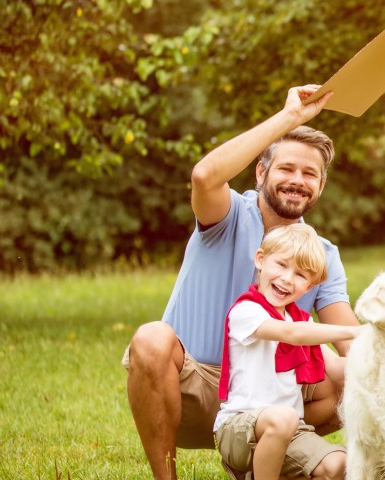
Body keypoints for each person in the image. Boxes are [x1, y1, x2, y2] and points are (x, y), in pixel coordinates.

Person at [124, 85, 361, 480]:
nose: (297, 180)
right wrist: (290, 118)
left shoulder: (321, 253)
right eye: (286, 168)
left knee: (350, 379)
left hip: (271, 395)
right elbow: (203, 175)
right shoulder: (228, 215)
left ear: (320, 186)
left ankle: (262, 465)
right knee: (151, 338)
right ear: (261, 171)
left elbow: (351, 341)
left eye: (310, 174)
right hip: (193, 387)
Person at [215, 223, 363, 480]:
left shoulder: (302, 321)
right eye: (281, 265)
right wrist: (353, 332)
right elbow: (290, 334)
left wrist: (384, 354)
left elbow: (338, 368)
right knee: (283, 417)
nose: (287, 279)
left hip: (291, 431)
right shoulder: (246, 311)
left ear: (309, 287)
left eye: (300, 275)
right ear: (261, 260)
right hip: (238, 429)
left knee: (340, 465)